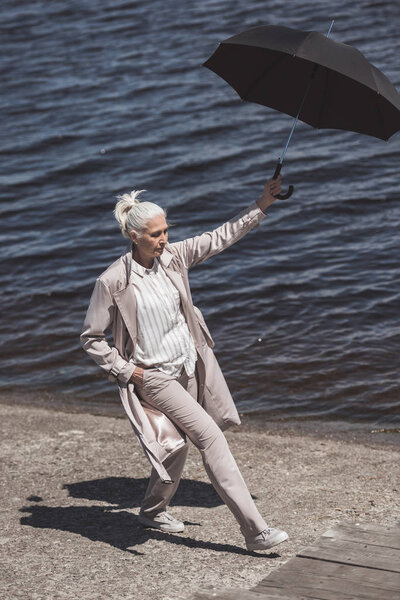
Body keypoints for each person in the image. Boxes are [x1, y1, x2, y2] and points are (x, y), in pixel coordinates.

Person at [80, 175, 288, 552]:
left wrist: (262, 204)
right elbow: (91, 338)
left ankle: (151, 509)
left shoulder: (173, 258)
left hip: (189, 366)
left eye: (166, 231)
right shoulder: (113, 281)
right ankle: (256, 532)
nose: (164, 239)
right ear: (134, 236)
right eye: (156, 234)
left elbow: (219, 237)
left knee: (176, 446)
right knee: (210, 437)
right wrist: (130, 372)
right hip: (154, 376)